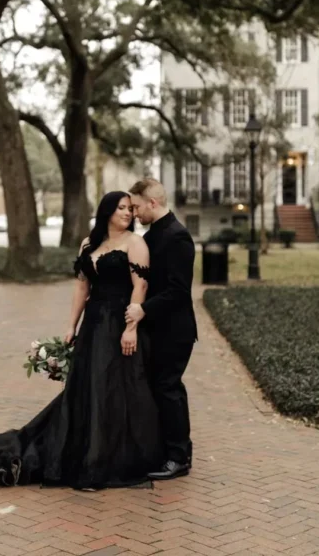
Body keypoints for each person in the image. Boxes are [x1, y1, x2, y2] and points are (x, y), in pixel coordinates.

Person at [0, 191, 163, 490]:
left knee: (114, 387)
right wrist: (71, 326)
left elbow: (141, 287)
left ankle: (106, 458)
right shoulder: (89, 244)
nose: (128, 213)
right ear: (107, 212)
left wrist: (131, 328)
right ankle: (87, 452)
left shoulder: (135, 243)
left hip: (119, 322)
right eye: (122, 208)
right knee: (87, 388)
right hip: (94, 326)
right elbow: (81, 289)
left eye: (129, 208)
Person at [126, 178, 197, 480]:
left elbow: (179, 290)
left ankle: (178, 458)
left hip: (175, 330)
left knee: (168, 389)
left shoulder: (177, 236)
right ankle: (175, 450)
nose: (135, 213)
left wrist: (143, 309)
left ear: (152, 203)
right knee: (165, 388)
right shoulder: (154, 234)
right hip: (159, 328)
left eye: (137, 206)